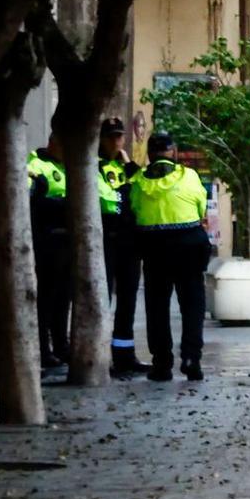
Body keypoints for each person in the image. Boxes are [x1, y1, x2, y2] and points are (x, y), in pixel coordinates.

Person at [129, 132, 211, 382]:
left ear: (149, 154)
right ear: (173, 152)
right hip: (189, 244)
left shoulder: (138, 181)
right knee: (192, 305)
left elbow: (134, 209)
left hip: (154, 247)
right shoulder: (189, 176)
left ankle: (162, 364)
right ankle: (191, 358)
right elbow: (201, 206)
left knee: (157, 307)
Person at [98, 118, 144, 378]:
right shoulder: (94, 165)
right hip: (106, 237)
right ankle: (101, 356)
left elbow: (142, 188)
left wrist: (128, 163)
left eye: (120, 136)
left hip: (129, 240)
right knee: (103, 297)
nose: (116, 141)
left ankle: (125, 355)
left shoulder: (125, 167)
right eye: (111, 137)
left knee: (128, 299)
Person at [26, 131, 71, 375]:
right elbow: (31, 200)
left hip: (66, 241)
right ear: (53, 143)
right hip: (47, 240)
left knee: (63, 298)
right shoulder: (36, 164)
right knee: (46, 299)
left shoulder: (67, 166)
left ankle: (61, 346)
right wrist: (62, 205)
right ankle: (43, 349)